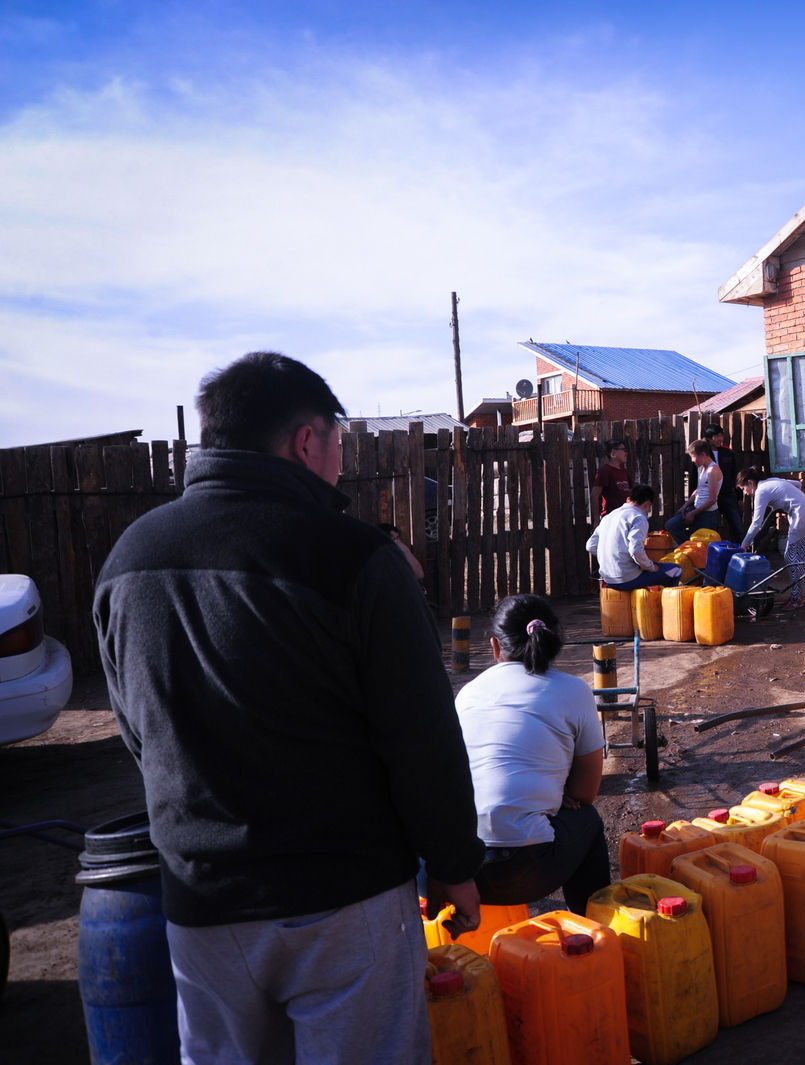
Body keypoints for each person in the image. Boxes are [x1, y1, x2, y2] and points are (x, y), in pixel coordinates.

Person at [93, 352, 484, 1064]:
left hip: (202, 909)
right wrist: (455, 861)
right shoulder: (356, 558)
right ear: (308, 441)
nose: (341, 462)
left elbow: (138, 732)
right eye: (339, 442)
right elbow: (422, 736)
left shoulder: (128, 560)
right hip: (344, 902)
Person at [456, 595, 610, 911]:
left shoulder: (467, 693)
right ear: (554, 641)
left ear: (495, 647)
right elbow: (585, 794)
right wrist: (554, 795)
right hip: (525, 870)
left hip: (458, 873)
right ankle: (593, 932)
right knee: (589, 821)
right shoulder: (574, 690)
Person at [738, 467, 805, 611]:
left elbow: (756, 523)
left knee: (791, 558)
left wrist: (744, 543)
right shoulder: (771, 481)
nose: (745, 492)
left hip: (801, 515)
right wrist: (787, 503)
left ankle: (796, 599)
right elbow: (797, 484)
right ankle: (797, 595)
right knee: (799, 558)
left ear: (751, 482)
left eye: (743, 488)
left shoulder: (761, 491)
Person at [586, 484, 680, 590]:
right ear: (647, 504)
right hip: (627, 579)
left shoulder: (609, 516)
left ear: (628, 499)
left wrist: (611, 558)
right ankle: (663, 605)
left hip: (608, 578)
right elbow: (635, 550)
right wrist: (650, 567)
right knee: (675, 570)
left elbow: (590, 546)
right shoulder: (639, 518)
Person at [664, 439, 722, 543]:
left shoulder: (712, 471)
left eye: (693, 456)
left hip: (707, 514)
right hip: (696, 509)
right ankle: (687, 547)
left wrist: (693, 513)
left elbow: (712, 499)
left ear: (703, 455)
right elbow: (699, 490)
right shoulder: (701, 468)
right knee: (671, 525)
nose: (692, 460)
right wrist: (685, 506)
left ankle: (691, 550)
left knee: (703, 546)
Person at [706, 424, 746, 542]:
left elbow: (735, 475)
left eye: (721, 435)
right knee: (710, 528)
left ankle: (742, 551)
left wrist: (739, 497)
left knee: (737, 525)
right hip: (709, 496)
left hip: (727, 494)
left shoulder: (727, 452)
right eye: (716, 436)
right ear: (708, 438)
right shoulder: (703, 453)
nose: (720, 439)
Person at [592, 440, 632, 518]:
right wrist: (596, 519)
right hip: (610, 517)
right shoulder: (605, 471)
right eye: (623, 450)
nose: (626, 453)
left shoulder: (624, 472)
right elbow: (594, 495)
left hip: (624, 516)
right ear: (613, 453)